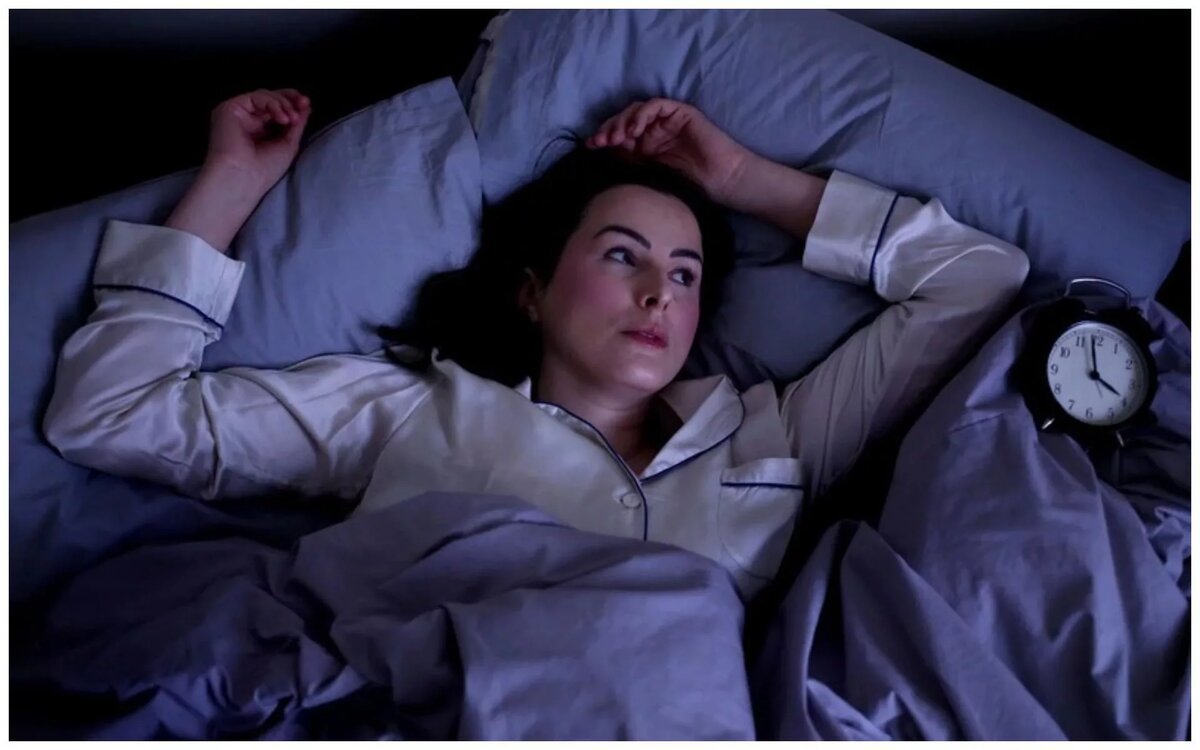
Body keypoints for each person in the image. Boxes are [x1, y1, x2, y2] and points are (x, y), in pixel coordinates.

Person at [44, 88, 1029, 598]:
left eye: (686, 274)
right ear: (532, 290)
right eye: (622, 255)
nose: (659, 290)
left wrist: (741, 179)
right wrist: (229, 183)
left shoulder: (773, 442)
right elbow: (111, 414)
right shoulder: (412, 410)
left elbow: (978, 279)